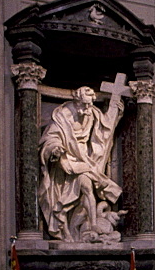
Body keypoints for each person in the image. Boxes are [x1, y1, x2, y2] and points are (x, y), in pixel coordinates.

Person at [38, 85, 124, 241]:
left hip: (84, 159)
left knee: (86, 187)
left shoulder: (91, 113)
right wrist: (55, 149)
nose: (87, 108)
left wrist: (114, 110)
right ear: (76, 101)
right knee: (69, 196)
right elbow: (51, 138)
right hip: (66, 160)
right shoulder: (63, 116)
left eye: (90, 104)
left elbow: (105, 130)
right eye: (84, 104)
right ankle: (70, 230)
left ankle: (91, 224)